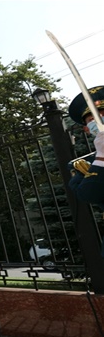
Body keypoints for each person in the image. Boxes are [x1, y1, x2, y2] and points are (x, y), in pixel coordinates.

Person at [68, 85, 104, 257]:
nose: (100, 119)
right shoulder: (83, 165)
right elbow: (89, 195)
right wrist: (101, 157)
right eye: (93, 117)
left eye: (103, 114)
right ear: (87, 129)